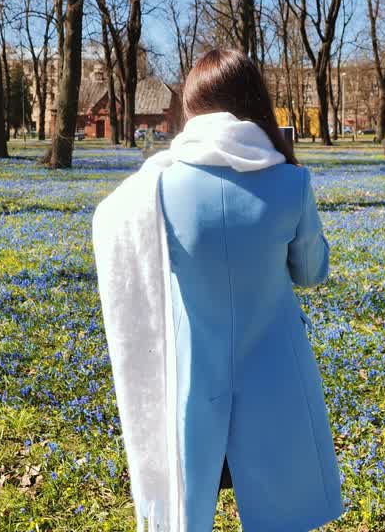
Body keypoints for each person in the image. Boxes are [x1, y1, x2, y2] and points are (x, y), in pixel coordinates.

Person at [93, 48, 342, 531]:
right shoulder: (291, 182)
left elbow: (115, 230)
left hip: (191, 370)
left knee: (187, 506)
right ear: (255, 103)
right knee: (282, 513)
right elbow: (312, 273)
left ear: (192, 108)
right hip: (276, 372)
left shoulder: (157, 188)